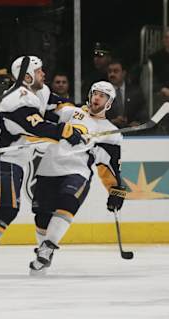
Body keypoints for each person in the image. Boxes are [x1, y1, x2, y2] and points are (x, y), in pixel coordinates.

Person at [0, 56, 85, 278]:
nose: (43, 74)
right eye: (39, 72)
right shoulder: (18, 99)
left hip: (14, 160)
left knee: (0, 207)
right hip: (3, 158)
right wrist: (65, 131)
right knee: (7, 208)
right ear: (27, 76)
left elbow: (57, 104)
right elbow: (36, 127)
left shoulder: (40, 91)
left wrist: (77, 115)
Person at [29, 81, 126, 275]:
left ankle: (48, 247)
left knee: (68, 201)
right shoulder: (69, 112)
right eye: (95, 93)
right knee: (42, 218)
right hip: (49, 168)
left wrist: (115, 190)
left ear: (109, 103)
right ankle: (43, 254)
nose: (97, 98)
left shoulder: (111, 134)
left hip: (77, 171)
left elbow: (109, 166)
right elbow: (42, 116)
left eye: (103, 96)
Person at [106, 59, 146, 128]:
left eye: (116, 71)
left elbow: (143, 112)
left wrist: (138, 123)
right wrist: (112, 121)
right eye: (110, 72)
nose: (112, 74)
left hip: (132, 133)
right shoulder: (101, 93)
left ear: (124, 73)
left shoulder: (135, 92)